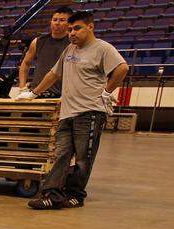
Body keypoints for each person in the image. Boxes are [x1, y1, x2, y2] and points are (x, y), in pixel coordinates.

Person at [17, 10, 128, 209]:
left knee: (84, 158)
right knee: (61, 154)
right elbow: (53, 74)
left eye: (76, 28)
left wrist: (107, 90)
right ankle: (52, 194)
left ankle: (76, 195)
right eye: (70, 30)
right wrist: (34, 92)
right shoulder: (69, 50)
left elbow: (122, 68)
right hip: (67, 112)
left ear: (90, 27)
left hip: (90, 112)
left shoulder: (102, 48)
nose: (72, 33)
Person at [18, 6, 74, 98]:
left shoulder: (73, 43)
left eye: (62, 20)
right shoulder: (37, 41)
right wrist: (22, 87)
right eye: (55, 20)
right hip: (35, 94)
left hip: (61, 95)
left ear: (69, 24)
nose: (57, 23)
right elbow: (25, 63)